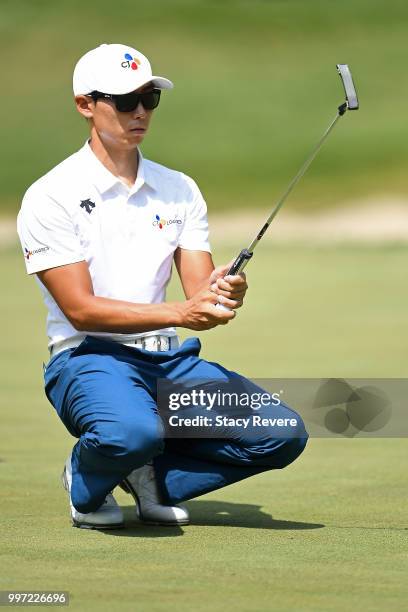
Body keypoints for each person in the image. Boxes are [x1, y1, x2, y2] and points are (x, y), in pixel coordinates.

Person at [17, 43, 308, 530]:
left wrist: (223, 292)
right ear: (85, 104)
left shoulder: (179, 188)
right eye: (124, 101)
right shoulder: (52, 195)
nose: (140, 113)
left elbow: (200, 291)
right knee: (131, 431)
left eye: (149, 99)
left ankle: (148, 476)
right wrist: (183, 313)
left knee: (280, 431)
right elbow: (81, 311)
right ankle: (86, 478)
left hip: (167, 363)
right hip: (89, 357)